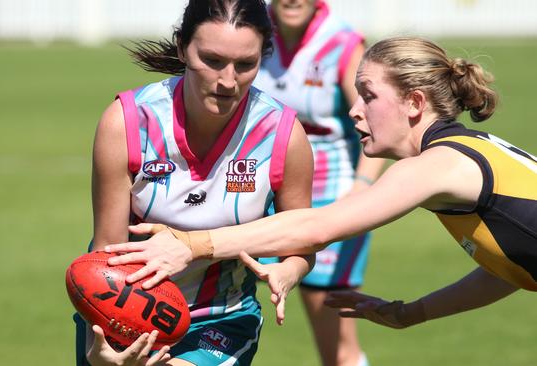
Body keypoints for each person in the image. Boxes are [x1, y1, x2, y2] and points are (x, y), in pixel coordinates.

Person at [104, 37, 537, 334]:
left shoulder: (438, 163)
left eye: (368, 94)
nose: (353, 111)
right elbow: (513, 266)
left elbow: (315, 228)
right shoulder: (458, 158)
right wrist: (411, 313)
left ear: (415, 103)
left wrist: (191, 244)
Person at [75, 0, 316, 365]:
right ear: (182, 47)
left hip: (222, 320)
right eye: (213, 60)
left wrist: (289, 269)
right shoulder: (126, 122)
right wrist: (110, 350)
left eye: (246, 65)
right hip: (123, 311)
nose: (228, 81)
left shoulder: (283, 135)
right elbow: (108, 255)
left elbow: (302, 238)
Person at [252, 1, 385, 365]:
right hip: (255, 192)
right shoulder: (251, 31)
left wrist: (359, 193)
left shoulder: (341, 43)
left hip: (330, 196)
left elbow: (378, 121)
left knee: (335, 344)